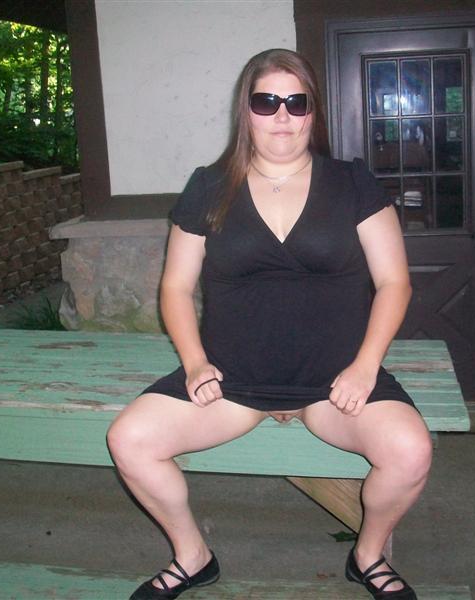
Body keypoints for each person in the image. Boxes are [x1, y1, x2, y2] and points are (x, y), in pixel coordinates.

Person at [107, 48, 432, 600]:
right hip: (232, 384)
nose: (282, 114)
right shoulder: (208, 186)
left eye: (296, 102)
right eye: (267, 101)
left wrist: (364, 367)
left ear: (312, 113)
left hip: (335, 386)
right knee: (129, 440)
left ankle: (369, 554)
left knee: (411, 452)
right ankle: (192, 556)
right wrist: (195, 363)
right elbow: (176, 288)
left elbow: (394, 282)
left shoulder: (353, 182)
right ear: (247, 111)